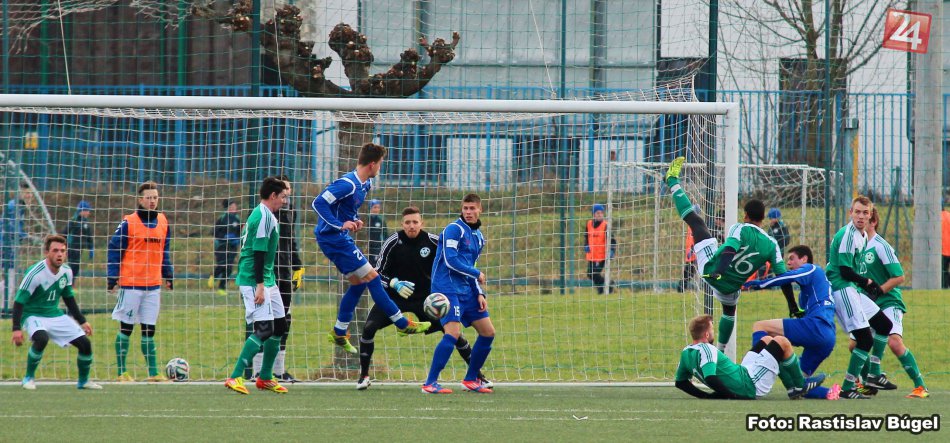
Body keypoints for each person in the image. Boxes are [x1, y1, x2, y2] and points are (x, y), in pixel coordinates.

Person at [312, 143, 429, 354]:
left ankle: (339, 332)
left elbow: (345, 208)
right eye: (380, 164)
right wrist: (339, 225)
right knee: (373, 278)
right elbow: (318, 203)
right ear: (372, 164)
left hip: (340, 237)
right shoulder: (347, 184)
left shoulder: (366, 184)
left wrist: (353, 219)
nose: (380, 168)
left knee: (358, 284)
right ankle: (402, 324)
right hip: (333, 239)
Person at [357, 206, 490, 390]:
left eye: (415, 222)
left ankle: (477, 376)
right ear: (402, 224)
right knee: (369, 328)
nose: (411, 226)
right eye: (407, 222)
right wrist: (394, 283)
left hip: (426, 300)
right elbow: (376, 273)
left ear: (422, 223)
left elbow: (450, 262)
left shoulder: (434, 241)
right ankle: (364, 376)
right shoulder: (392, 242)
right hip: (393, 298)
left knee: (453, 333)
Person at [664, 157, 790, 352]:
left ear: (745, 215)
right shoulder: (771, 244)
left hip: (711, 271)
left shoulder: (739, 228)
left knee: (696, 222)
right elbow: (783, 278)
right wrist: (793, 305)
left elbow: (730, 249)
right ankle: (721, 350)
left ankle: (672, 180)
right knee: (729, 311)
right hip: (729, 287)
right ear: (763, 219)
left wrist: (719, 270)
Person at [744, 245, 839, 400]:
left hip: (817, 326)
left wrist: (760, 284)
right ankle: (831, 393)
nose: (788, 263)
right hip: (828, 338)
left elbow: (786, 278)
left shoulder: (812, 269)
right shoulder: (806, 293)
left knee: (760, 326)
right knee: (799, 383)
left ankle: (754, 371)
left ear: (804, 259)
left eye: (792, 259)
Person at [422, 193, 495, 394]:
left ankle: (471, 379)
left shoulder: (479, 237)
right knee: (453, 333)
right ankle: (430, 383)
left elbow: (470, 266)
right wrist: (477, 274)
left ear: (480, 209)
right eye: (465, 208)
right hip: (446, 288)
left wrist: (479, 293)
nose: (468, 212)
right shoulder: (454, 229)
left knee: (488, 332)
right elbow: (450, 260)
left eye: (472, 208)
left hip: (466, 290)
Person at [852, 207, 928, 398]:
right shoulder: (856, 246)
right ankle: (870, 382)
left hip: (888, 301)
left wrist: (878, 291)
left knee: (894, 342)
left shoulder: (880, 246)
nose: (860, 220)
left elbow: (899, 276)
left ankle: (920, 387)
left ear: (873, 222)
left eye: (865, 216)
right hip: (868, 303)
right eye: (858, 215)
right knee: (855, 345)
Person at [224, 177, 290, 395]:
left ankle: (265, 377)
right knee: (264, 329)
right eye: (283, 197)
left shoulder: (265, 214)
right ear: (273, 196)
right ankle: (235, 376)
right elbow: (259, 253)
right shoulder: (263, 217)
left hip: (267, 279)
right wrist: (260, 285)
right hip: (255, 279)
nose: (284, 201)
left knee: (279, 325)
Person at [825, 196, 894, 399]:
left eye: (865, 213)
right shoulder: (848, 235)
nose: (861, 216)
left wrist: (866, 284)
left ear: (871, 216)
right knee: (864, 339)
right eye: (857, 212)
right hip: (842, 289)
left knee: (884, 325)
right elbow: (845, 271)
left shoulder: (862, 236)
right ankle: (848, 388)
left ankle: (873, 374)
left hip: (852, 288)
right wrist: (868, 282)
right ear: (850, 213)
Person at [11, 235, 101, 390]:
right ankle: (28, 378)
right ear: (46, 252)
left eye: (62, 251)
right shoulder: (35, 273)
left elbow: (68, 298)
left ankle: (83, 381)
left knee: (85, 344)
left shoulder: (67, 271)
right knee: (41, 339)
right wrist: (16, 329)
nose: (59, 254)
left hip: (54, 314)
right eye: (55, 250)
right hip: (32, 315)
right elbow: (19, 302)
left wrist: (82, 321)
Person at [108, 181, 174, 383]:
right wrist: (112, 277)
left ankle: (153, 373)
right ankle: (122, 372)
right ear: (140, 199)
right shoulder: (128, 222)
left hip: (153, 285)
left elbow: (164, 251)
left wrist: (168, 274)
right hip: (131, 285)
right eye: (148, 197)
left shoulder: (163, 221)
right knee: (126, 328)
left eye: (155, 197)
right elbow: (114, 248)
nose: (152, 201)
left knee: (149, 329)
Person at [674, 314, 826, 400]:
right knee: (782, 342)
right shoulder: (707, 349)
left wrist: (705, 396)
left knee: (767, 340)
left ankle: (792, 389)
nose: (714, 332)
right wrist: (730, 395)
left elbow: (680, 382)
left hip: (743, 372)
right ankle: (800, 385)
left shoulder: (686, 352)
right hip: (750, 384)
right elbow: (710, 377)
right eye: (712, 329)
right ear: (707, 335)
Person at [250, 174, 304, 382]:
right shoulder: (263, 214)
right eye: (284, 192)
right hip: (267, 274)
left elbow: (291, 242)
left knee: (284, 322)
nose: (286, 196)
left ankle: (279, 371)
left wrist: (297, 266)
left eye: (288, 192)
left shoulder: (290, 212)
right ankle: (257, 370)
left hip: (284, 274)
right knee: (263, 321)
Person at [210, 199, 241, 296]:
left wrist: (237, 239)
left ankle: (221, 288)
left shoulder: (237, 219)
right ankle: (214, 276)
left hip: (232, 247)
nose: (234, 208)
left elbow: (240, 232)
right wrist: (224, 237)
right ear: (228, 208)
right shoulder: (222, 218)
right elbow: (215, 232)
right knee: (222, 264)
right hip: (221, 246)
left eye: (235, 206)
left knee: (229, 268)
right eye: (232, 207)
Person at [584, 203, 617, 294]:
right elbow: (586, 236)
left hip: (601, 256)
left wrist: (612, 251)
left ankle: (605, 286)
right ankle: (604, 286)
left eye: (601, 213)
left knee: (594, 274)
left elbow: (612, 240)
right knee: (590, 274)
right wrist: (586, 245)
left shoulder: (605, 226)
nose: (600, 215)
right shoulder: (589, 224)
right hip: (591, 255)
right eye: (598, 213)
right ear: (593, 214)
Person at [64, 200, 94, 279]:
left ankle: (72, 283)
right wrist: (63, 245)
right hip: (72, 249)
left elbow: (89, 236)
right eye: (87, 210)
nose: (88, 213)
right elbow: (64, 233)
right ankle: (69, 283)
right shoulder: (73, 221)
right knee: (72, 268)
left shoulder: (85, 222)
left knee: (76, 269)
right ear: (82, 211)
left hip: (80, 249)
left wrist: (91, 248)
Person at [366, 199, 388, 266]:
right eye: (375, 207)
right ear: (370, 208)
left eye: (378, 207)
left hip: (377, 247)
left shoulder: (381, 220)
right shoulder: (366, 219)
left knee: (375, 264)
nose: (377, 209)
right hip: (367, 246)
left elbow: (385, 234)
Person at [942, 205, 950, 289]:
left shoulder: (935, 219)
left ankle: (944, 287)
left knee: (943, 271)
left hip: (942, 250)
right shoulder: (948, 215)